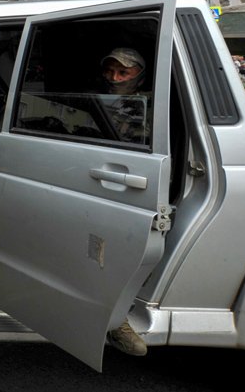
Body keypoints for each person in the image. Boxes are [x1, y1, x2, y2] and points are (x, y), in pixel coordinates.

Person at [99, 47, 150, 357]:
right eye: (110, 72)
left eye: (123, 73)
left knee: (114, 253)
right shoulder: (100, 99)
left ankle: (117, 319)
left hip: (130, 185)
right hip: (101, 180)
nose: (115, 78)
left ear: (139, 76)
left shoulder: (145, 107)